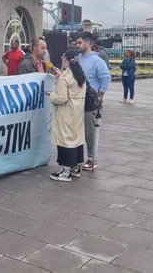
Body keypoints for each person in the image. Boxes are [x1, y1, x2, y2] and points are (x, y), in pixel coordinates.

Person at [45, 49, 87, 182]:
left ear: (67, 60)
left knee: (65, 141)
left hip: (66, 112)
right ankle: (75, 168)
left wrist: (51, 94)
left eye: (63, 58)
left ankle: (66, 170)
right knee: (76, 138)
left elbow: (61, 98)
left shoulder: (65, 77)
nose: (62, 60)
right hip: (77, 112)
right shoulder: (79, 75)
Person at [76, 31, 111, 171]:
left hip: (90, 102)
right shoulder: (78, 58)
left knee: (90, 131)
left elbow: (106, 78)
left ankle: (92, 158)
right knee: (77, 130)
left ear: (88, 43)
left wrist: (99, 95)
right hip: (77, 100)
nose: (77, 45)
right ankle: (78, 157)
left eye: (80, 42)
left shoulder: (97, 61)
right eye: (76, 42)